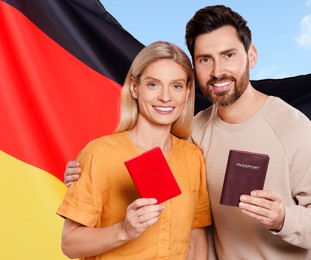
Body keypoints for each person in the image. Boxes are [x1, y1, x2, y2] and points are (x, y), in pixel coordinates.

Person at [64, 5, 311, 259]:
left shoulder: (294, 129)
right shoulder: (194, 133)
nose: (217, 71)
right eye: (204, 59)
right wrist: (84, 172)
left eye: (228, 55)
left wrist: (283, 218)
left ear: (251, 56)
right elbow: (138, 157)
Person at [57, 41, 211, 260]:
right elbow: (70, 245)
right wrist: (124, 231)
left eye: (176, 86)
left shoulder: (193, 157)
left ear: (187, 93)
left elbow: (196, 239)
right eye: (153, 84)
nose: (165, 97)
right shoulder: (100, 153)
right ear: (134, 87)